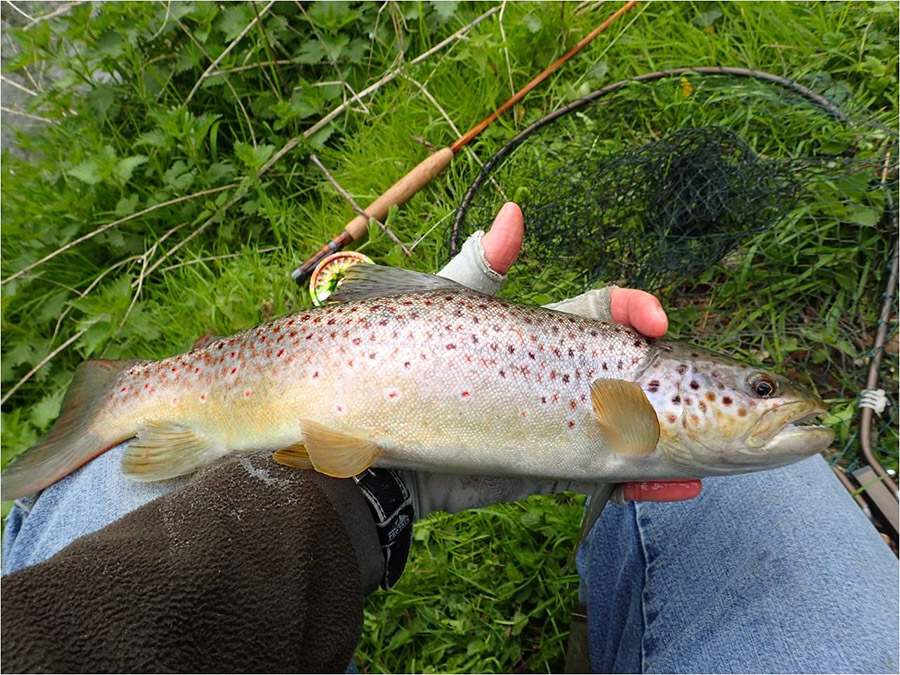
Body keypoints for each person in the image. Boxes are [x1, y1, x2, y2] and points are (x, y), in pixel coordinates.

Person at [2, 203, 897, 673]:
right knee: (782, 507)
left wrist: (346, 485)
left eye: (761, 391)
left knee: (106, 490)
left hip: (224, 513)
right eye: (759, 390)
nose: (775, 402)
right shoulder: (639, 409)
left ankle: (138, 409)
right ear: (671, 391)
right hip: (261, 459)